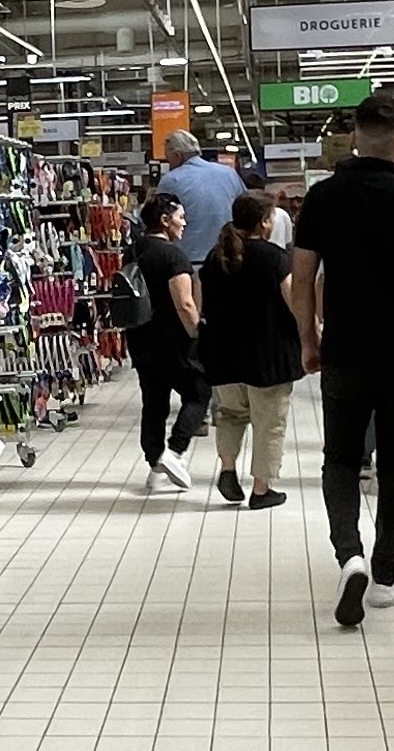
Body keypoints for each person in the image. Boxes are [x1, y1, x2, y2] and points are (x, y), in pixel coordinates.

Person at [288, 94, 394, 625]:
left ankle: (350, 556)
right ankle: (385, 575)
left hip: (345, 347)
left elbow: (302, 279)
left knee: (340, 459)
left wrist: (308, 339)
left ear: (353, 138)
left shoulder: (323, 198)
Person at [196, 185, 301, 507]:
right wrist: (312, 333)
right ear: (264, 221)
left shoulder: (216, 258)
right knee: (269, 423)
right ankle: (261, 489)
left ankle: (228, 468)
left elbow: (201, 304)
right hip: (268, 356)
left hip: (223, 354)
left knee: (230, 414)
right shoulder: (274, 258)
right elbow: (294, 302)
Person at [126, 188, 207, 490]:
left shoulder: (132, 251)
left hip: (140, 338)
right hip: (173, 341)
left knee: (154, 402)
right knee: (199, 392)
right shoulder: (173, 255)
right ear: (164, 220)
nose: (184, 223)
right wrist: (198, 334)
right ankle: (175, 450)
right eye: (180, 217)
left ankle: (155, 465)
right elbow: (184, 303)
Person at [153, 126, 244, 267]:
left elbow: (157, 222)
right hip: (228, 258)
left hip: (188, 261)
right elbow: (244, 209)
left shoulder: (171, 180)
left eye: (168, 159)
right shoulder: (229, 173)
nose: (169, 165)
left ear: (178, 156)